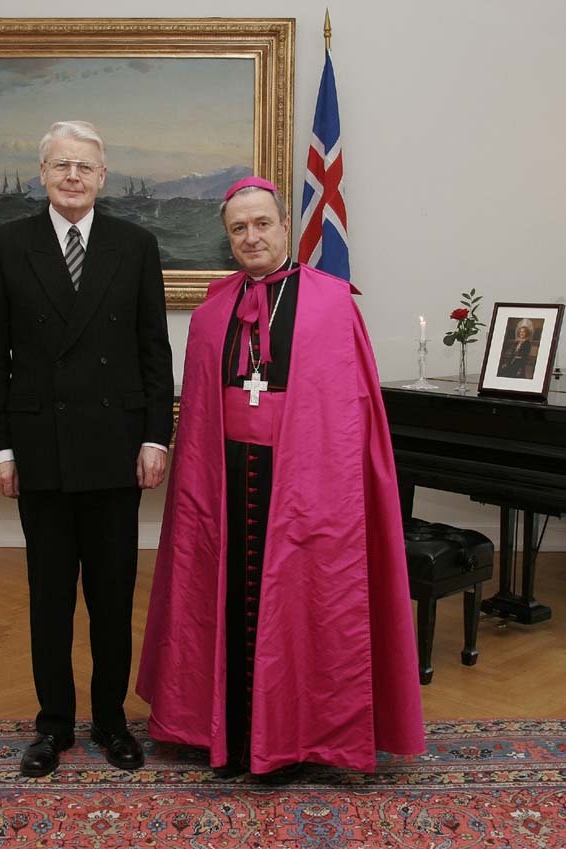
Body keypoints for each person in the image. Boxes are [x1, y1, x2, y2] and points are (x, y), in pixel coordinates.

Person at [136, 176, 424, 781]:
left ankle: (294, 736)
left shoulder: (332, 302)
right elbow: (198, 412)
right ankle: (229, 733)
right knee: (226, 598)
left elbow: (353, 413)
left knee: (301, 606)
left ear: (286, 226)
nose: (252, 237)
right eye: (238, 228)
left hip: (305, 483)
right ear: (228, 237)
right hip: (226, 477)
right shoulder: (213, 310)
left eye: (262, 224)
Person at [0, 120, 173, 777]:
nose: (73, 176)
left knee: (113, 600)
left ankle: (112, 721)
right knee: (50, 599)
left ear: (103, 176)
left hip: (117, 448)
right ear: (42, 174)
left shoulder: (136, 245)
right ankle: (54, 725)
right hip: (42, 451)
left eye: (85, 166)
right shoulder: (4, 245)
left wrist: (155, 435)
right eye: (61, 164)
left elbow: (154, 350)